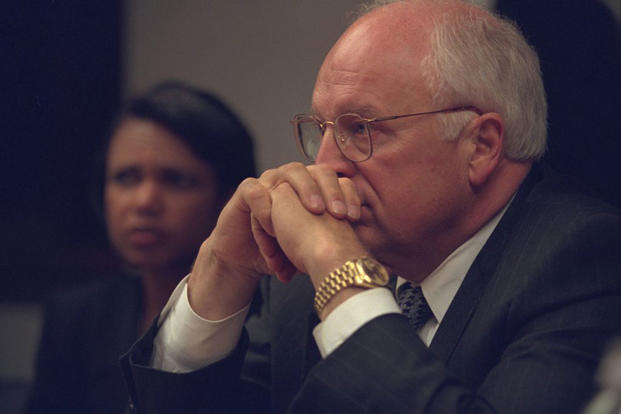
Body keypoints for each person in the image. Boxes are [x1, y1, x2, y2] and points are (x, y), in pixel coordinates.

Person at [122, 1, 621, 413]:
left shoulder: (585, 261)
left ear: (482, 145)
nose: (326, 163)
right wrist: (221, 268)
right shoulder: (300, 285)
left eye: (360, 129)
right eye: (321, 130)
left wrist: (342, 276)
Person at [26, 81, 256, 413]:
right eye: (126, 177)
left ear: (228, 199)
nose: (144, 202)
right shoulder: (75, 316)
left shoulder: (268, 321)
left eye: (177, 180)